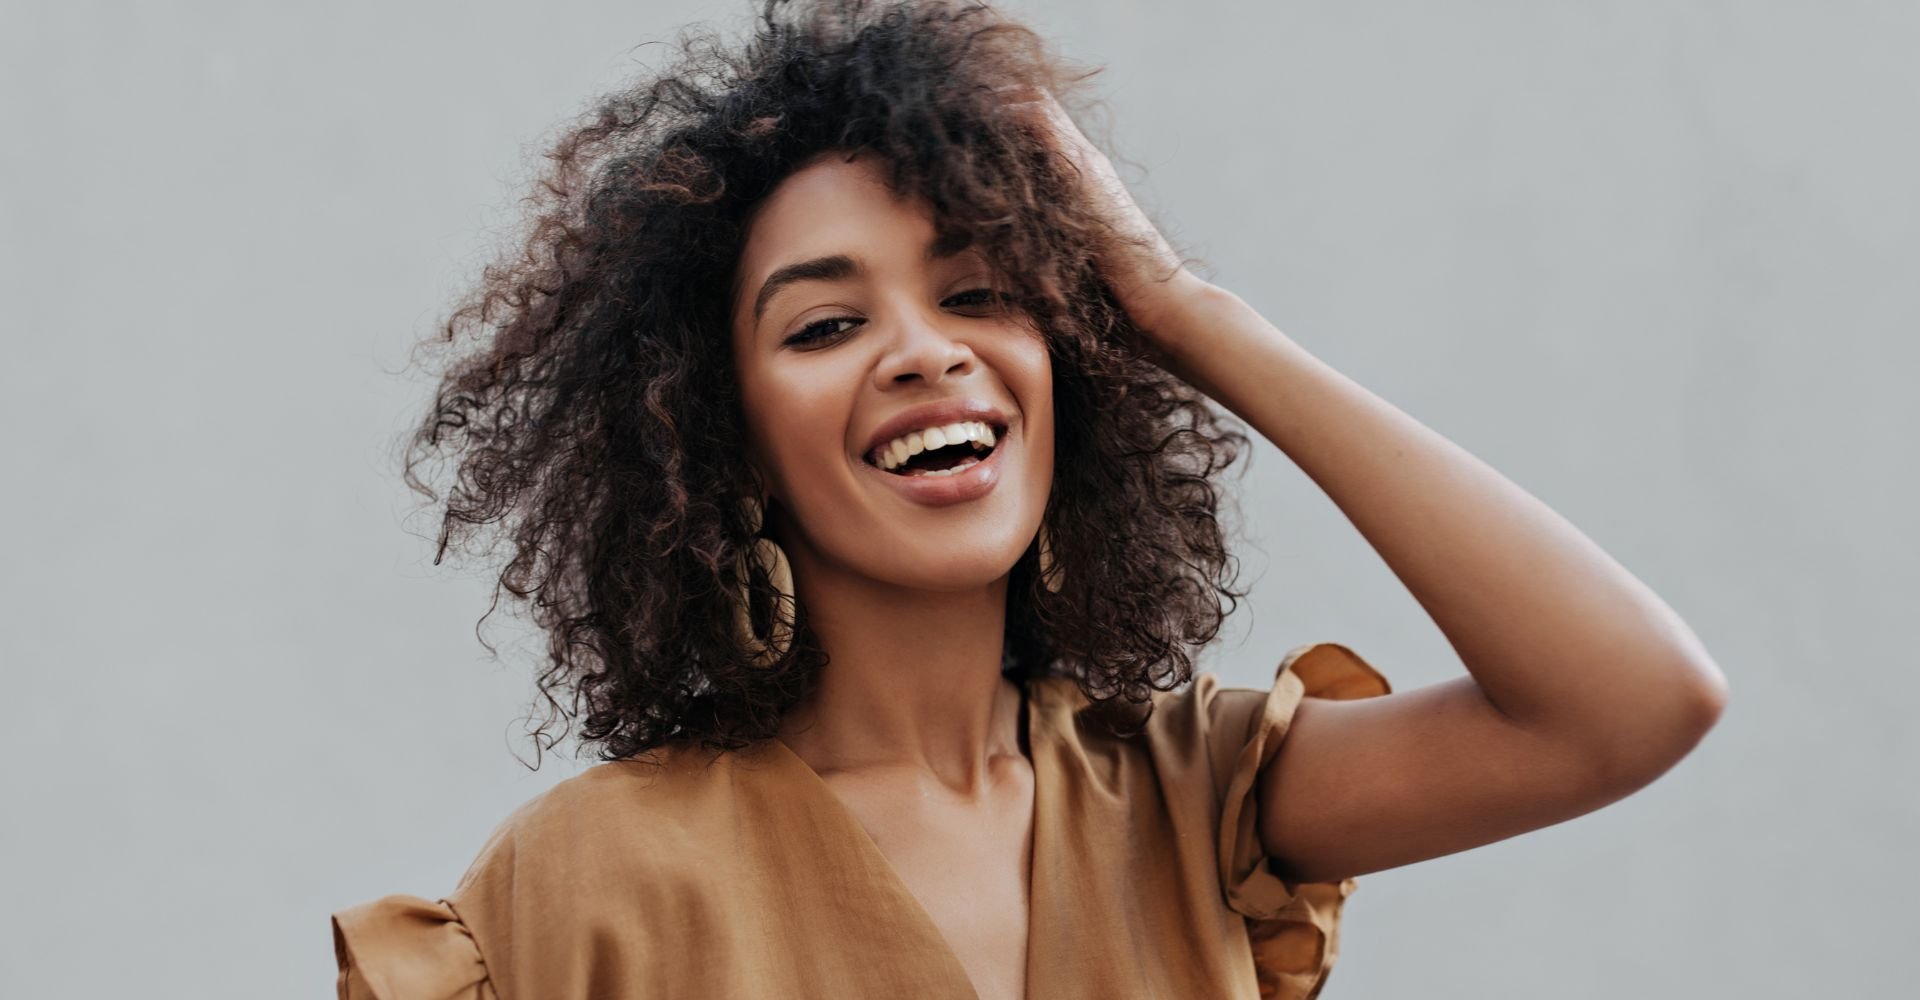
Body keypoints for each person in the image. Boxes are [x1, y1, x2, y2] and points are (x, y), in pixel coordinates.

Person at [331, 1, 1730, 997]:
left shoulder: (1192, 801)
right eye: (823, 327)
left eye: (982, 294)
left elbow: (1629, 703)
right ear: (719, 439)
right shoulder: (584, 892)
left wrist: (1186, 310)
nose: (927, 350)